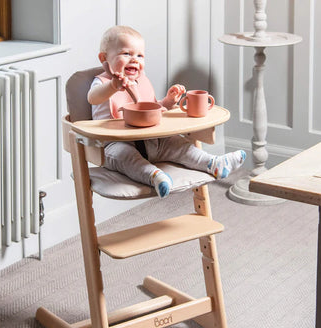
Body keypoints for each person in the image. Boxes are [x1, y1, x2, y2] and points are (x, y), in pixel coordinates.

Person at [87, 25, 245, 199]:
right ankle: (154, 176)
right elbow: (93, 98)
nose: (134, 60)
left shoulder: (141, 81)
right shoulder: (102, 83)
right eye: (126, 54)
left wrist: (168, 102)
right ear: (104, 58)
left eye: (140, 55)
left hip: (153, 141)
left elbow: (152, 108)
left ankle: (213, 163)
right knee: (126, 156)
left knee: (178, 144)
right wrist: (112, 86)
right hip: (115, 145)